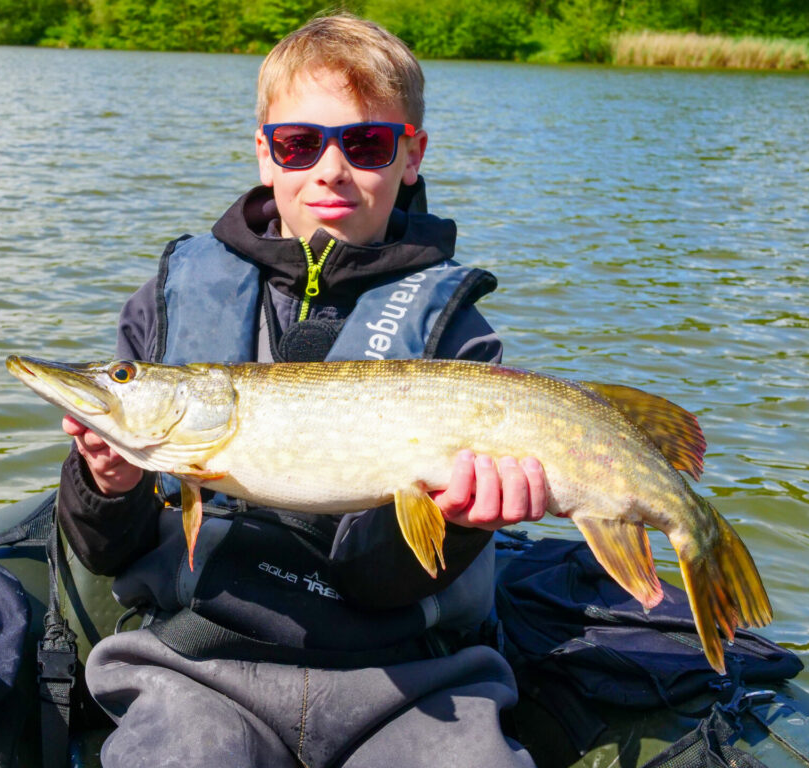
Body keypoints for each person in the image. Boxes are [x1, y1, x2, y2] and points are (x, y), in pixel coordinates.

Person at [57, 14, 548, 768]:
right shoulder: (167, 303)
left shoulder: (457, 334)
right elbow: (101, 549)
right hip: (199, 669)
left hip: (413, 682)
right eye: (298, 143)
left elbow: (385, 579)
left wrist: (460, 521)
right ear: (265, 154)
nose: (329, 169)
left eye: (366, 144)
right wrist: (107, 479)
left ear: (410, 156)